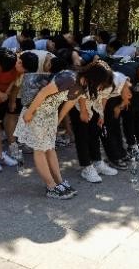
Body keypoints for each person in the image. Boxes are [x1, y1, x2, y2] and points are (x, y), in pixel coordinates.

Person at [14, 62, 113, 200]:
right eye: (101, 83)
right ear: (95, 78)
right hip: (37, 112)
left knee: (50, 148)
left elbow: (70, 103)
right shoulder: (69, 78)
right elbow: (43, 92)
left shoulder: (83, 85)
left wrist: (58, 122)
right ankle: (51, 186)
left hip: (50, 114)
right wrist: (29, 112)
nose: (101, 87)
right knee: (40, 150)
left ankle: (59, 182)